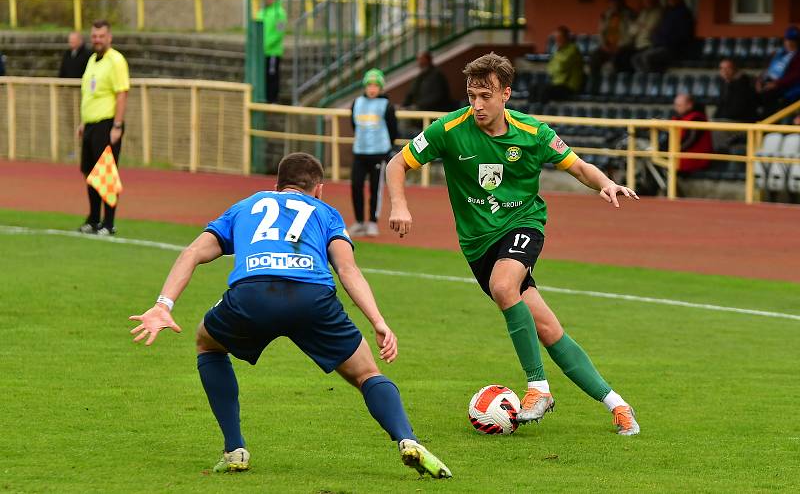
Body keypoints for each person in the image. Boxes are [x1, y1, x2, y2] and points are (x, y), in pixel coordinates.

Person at [128, 153, 452, 477]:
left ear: (276, 185)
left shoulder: (245, 206)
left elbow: (193, 252)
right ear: (319, 189)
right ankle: (407, 439)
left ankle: (235, 449)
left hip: (254, 294)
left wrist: (163, 305)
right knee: (367, 374)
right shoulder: (326, 212)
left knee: (207, 344)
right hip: (312, 298)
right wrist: (378, 322)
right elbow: (347, 268)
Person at [386, 52, 641, 436]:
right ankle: (618, 405)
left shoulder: (534, 132)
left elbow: (578, 166)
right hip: (477, 245)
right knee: (548, 328)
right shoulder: (449, 128)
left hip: (524, 224)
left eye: (485, 96)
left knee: (504, 286)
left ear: (506, 94)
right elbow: (396, 164)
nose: (477, 105)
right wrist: (400, 205)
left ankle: (538, 389)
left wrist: (605, 183)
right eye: (472, 95)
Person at [77, 20, 129, 235]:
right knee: (90, 172)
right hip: (90, 124)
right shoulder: (91, 60)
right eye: (94, 36)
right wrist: (83, 122)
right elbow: (90, 93)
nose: (97, 40)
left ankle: (109, 223)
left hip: (106, 124)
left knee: (106, 173)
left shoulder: (116, 60)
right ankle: (93, 219)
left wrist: (117, 125)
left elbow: (121, 93)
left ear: (109, 37)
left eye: (101, 36)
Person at [349, 69, 398, 237]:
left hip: (379, 154)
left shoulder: (386, 106)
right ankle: (359, 221)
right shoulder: (357, 103)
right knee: (356, 185)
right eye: (369, 85)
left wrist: (386, 149)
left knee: (375, 189)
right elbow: (354, 125)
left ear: (381, 87)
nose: (372, 88)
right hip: (360, 152)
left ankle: (372, 222)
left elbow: (393, 130)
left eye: (376, 85)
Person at [632, 0, 694, 73]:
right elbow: (658, 31)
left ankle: (654, 82)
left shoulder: (685, 14)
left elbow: (682, 36)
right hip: (660, 46)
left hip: (675, 49)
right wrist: (656, 39)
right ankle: (645, 82)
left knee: (646, 58)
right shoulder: (667, 12)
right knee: (636, 58)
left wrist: (664, 42)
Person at [712, 58, 757, 153]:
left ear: (735, 70)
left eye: (727, 68)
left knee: (717, 130)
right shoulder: (724, 83)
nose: (724, 71)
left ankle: (719, 156)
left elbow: (738, 109)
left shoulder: (744, 83)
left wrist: (719, 120)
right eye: (721, 68)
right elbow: (720, 106)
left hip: (742, 121)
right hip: (727, 120)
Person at [588, 0, 636, 78]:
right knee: (594, 57)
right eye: (612, 2)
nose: (614, 4)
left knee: (619, 60)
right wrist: (604, 45)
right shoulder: (606, 15)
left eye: (616, 1)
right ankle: (594, 84)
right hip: (608, 47)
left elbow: (631, 35)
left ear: (622, 2)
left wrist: (619, 47)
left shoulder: (630, 15)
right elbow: (601, 33)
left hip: (623, 47)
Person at [756, 25, 800, 117]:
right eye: (787, 40)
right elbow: (767, 69)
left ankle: (766, 126)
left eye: (793, 40)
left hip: (787, 88)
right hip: (770, 82)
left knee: (769, 97)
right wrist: (759, 80)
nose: (789, 43)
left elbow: (795, 76)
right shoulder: (778, 53)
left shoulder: (797, 56)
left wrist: (776, 83)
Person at [615, 0, 662, 72]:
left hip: (648, 44)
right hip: (637, 45)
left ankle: (641, 81)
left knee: (634, 58)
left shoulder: (658, 11)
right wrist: (640, 26)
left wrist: (639, 26)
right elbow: (632, 31)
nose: (646, 1)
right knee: (619, 56)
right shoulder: (643, 12)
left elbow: (650, 28)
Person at [534, 26, 584, 104]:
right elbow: (550, 69)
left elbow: (561, 67)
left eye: (559, 38)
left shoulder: (573, 50)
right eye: (556, 38)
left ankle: (542, 113)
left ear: (566, 38)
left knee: (545, 90)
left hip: (569, 87)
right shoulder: (558, 50)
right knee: (534, 87)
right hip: (557, 84)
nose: (557, 41)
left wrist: (556, 57)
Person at [255, 0, 287, 103]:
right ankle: (263, 99)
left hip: (273, 52)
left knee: (272, 76)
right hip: (261, 52)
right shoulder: (262, 12)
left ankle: (273, 100)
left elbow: (280, 32)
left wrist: (266, 44)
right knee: (263, 76)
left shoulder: (280, 13)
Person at [671, 93, 712, 173]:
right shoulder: (678, 118)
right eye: (676, 105)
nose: (676, 108)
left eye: (679, 105)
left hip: (695, 159)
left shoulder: (697, 118)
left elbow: (690, 141)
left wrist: (670, 151)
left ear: (689, 105)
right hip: (681, 156)